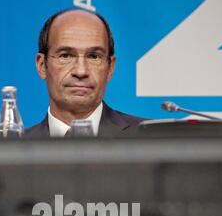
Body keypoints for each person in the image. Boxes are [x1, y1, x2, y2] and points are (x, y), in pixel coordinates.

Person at [27, 8, 144, 137]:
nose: (81, 71)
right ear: (42, 65)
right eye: (65, 56)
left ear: (110, 68)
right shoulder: (11, 150)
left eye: (94, 56)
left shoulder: (151, 140)